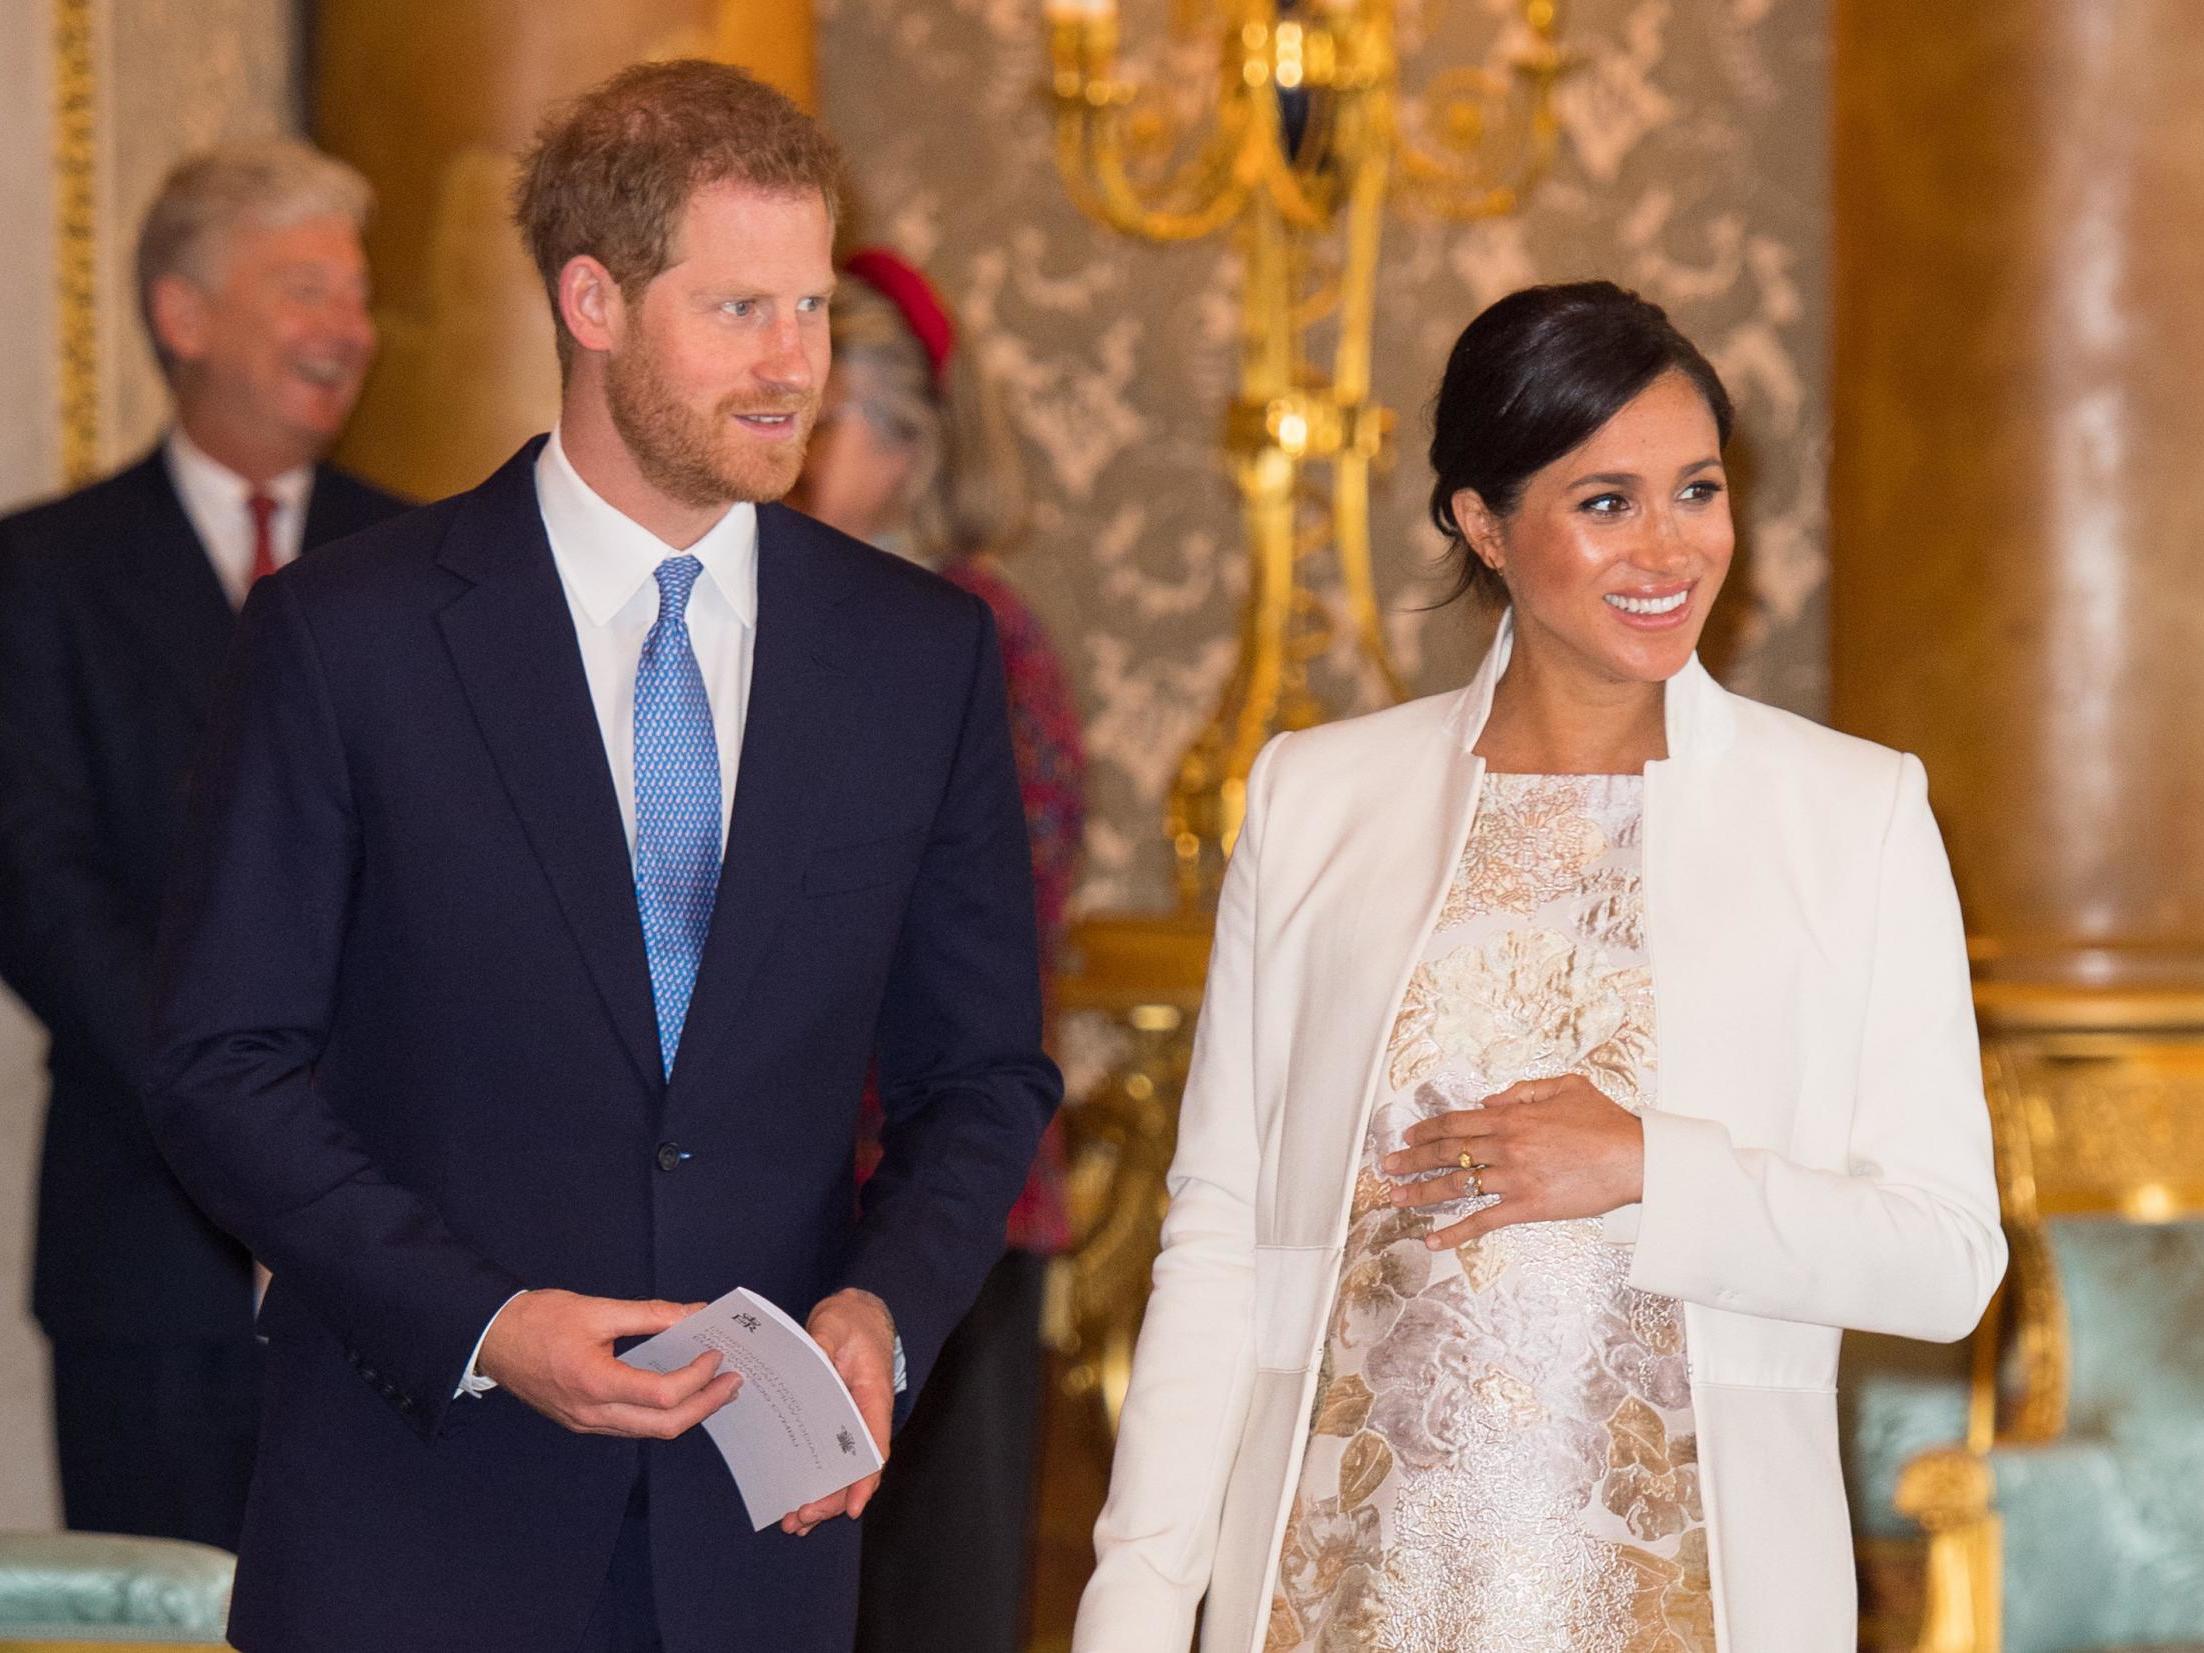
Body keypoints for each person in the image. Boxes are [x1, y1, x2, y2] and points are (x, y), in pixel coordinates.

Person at [143, 60, 1059, 1653]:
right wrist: (487, 1323)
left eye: (811, 309)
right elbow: (223, 1064)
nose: (797, 370)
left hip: (755, 1546)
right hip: (412, 1521)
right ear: (594, 299)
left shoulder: (922, 657)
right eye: (738, 312)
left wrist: (881, 1309)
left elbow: (981, 1075)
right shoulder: (348, 636)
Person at [1072, 282, 2006, 1653]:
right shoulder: (1318, 799)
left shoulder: (1851, 817)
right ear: (1482, 524)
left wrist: (1649, 1164)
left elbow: (1946, 1259)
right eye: (1606, 501)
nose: (1672, 547)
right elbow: (1220, 1239)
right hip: (1332, 1594)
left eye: (1696, 487)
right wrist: (1138, 1606)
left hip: (1685, 1600)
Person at [0, 138, 404, 1550]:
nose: (347, 329)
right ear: (183, 315)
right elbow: (40, 890)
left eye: (356, 296)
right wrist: (240, 1110)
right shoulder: (42, 575)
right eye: (305, 289)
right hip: (150, 1258)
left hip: (396, 1244)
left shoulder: (425, 567)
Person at [796, 249, 1086, 1653]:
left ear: (913, 445)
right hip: (771, 1211)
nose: (792, 438)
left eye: (829, 409)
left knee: (931, 1606)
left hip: (945, 1219)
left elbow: (997, 945)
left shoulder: (978, 636)